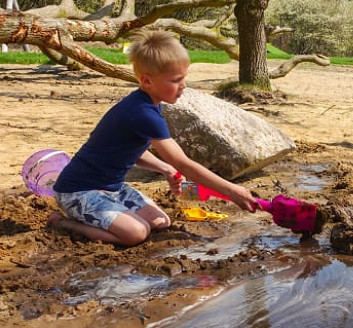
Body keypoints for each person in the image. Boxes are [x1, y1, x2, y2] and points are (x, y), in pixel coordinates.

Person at [47, 30, 256, 246]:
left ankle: (106, 218)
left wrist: (164, 169)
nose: (183, 85)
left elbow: (130, 151)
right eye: (176, 80)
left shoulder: (147, 105)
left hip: (112, 188)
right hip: (78, 191)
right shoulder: (142, 113)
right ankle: (64, 224)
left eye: (184, 78)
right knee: (136, 234)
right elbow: (183, 163)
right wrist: (232, 191)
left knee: (160, 222)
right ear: (147, 81)